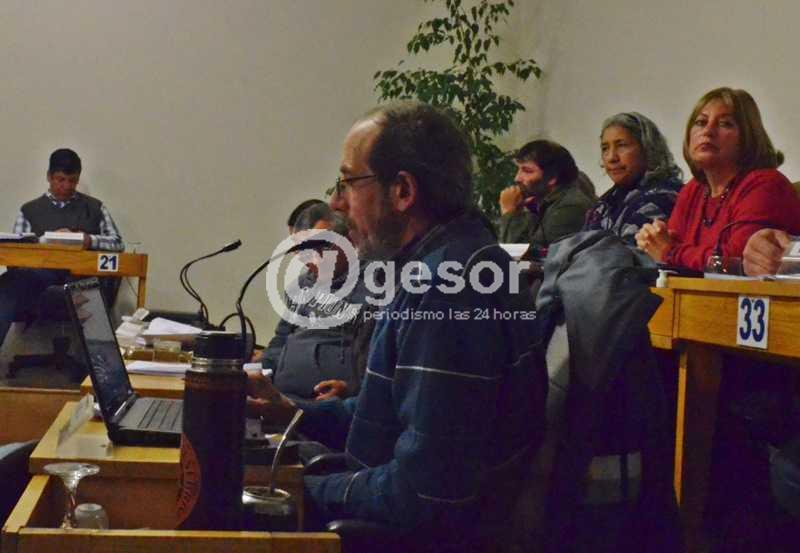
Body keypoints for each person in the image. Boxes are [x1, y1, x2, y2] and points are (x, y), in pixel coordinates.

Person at [249, 101, 546, 548]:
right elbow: (382, 415)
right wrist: (291, 412)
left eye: (349, 182)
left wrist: (295, 490)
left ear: (403, 191)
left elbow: (424, 494)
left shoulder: (447, 292)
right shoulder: (444, 265)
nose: (337, 203)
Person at [635, 87, 800, 271]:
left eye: (725, 124)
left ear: (748, 137)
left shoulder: (766, 185)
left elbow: (739, 264)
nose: (708, 131)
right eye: (701, 122)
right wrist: (654, 241)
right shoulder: (694, 189)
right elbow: (671, 251)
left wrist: (670, 252)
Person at [0, 148, 123, 356]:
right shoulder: (29, 210)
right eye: (60, 180)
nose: (66, 186)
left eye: (72, 181)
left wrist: (88, 239)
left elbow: (118, 243)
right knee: (8, 282)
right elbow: (17, 253)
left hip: (82, 277)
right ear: (49, 177)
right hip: (40, 279)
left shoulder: (94, 208)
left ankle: (102, 367)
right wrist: (44, 241)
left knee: (88, 291)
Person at [262, 203, 370, 400]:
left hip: (333, 404)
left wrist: (351, 389)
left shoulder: (374, 286)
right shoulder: (301, 285)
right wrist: (262, 375)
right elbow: (281, 339)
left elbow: (379, 360)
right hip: (281, 398)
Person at [584, 112, 683, 244]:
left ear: (648, 149)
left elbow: (627, 253)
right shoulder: (607, 202)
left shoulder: (663, 197)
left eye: (621, 145)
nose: (611, 157)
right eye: (605, 148)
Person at [498, 140, 595, 257]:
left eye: (527, 171)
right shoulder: (545, 203)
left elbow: (520, 257)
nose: (517, 178)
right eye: (518, 170)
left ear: (552, 177)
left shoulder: (570, 207)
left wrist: (509, 212)